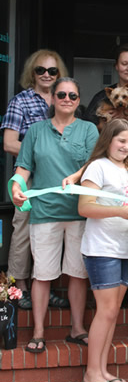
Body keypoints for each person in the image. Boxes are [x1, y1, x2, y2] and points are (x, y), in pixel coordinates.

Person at [10, 78, 99, 354]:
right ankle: (38, 332)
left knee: (77, 273)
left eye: (73, 95)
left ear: (78, 99)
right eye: (61, 94)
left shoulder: (89, 129)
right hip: (44, 211)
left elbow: (95, 166)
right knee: (43, 274)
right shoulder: (36, 131)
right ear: (52, 99)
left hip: (79, 211)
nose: (67, 99)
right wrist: (15, 186)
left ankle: (77, 329)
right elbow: (23, 168)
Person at [78, 119, 128, 382]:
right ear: (108, 140)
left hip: (126, 249)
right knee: (105, 311)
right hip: (101, 248)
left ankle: (103, 369)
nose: (126, 147)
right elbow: (85, 206)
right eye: (121, 141)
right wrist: (121, 212)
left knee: (112, 313)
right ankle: (91, 372)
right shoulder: (97, 167)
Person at [1, 49, 69, 310]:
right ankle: (19, 289)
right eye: (41, 70)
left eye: (52, 71)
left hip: (57, 178)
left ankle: (44, 288)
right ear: (33, 72)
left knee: (49, 234)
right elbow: (9, 143)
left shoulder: (63, 99)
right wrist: (42, 152)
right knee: (23, 233)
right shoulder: (21, 101)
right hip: (28, 177)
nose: (47, 75)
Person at [84, 43, 128, 126]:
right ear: (116, 66)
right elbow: (87, 125)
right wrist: (102, 121)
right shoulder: (102, 96)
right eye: (124, 64)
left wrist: (127, 116)